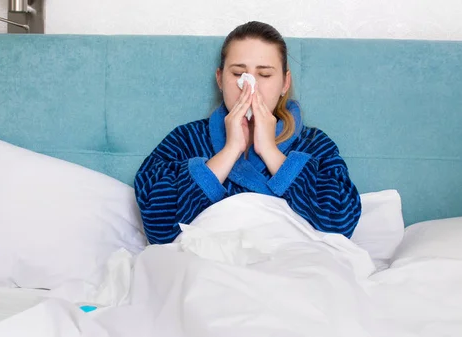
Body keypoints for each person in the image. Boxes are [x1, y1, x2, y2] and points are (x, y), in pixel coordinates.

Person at [134, 21, 361, 245]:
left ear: (285, 83)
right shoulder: (185, 139)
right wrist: (229, 150)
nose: (250, 87)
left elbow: (341, 225)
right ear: (220, 79)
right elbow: (158, 228)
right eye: (238, 74)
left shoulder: (314, 144)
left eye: (264, 75)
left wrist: (270, 152)